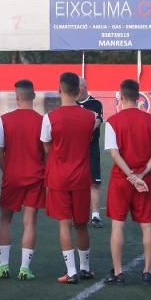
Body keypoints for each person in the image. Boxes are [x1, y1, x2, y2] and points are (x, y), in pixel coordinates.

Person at [104, 79, 151, 285]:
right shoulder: (150, 120)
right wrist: (140, 174)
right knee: (147, 226)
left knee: (118, 225)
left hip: (121, 180)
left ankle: (118, 272)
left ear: (120, 97)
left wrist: (130, 175)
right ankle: (147, 272)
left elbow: (114, 153)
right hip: (143, 180)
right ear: (139, 97)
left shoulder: (113, 121)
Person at [43, 72, 97, 284]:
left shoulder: (50, 118)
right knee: (81, 224)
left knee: (64, 224)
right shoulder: (90, 117)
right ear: (78, 91)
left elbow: (46, 146)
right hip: (81, 176)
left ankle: (72, 271)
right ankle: (84, 268)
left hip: (58, 177)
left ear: (59, 89)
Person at [0, 80, 45, 281]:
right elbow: (47, 152)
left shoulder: (5, 120)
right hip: (35, 177)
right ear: (34, 96)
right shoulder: (43, 121)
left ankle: (3, 266)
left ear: (17, 97)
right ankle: (24, 268)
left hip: (11, 177)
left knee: (5, 219)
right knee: (30, 222)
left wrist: (8, 169)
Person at [76, 80, 105, 228]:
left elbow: (98, 122)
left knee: (94, 182)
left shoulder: (96, 104)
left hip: (91, 149)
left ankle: (95, 215)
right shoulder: (71, 103)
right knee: (76, 181)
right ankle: (77, 212)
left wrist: (83, 133)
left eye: (78, 86)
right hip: (74, 149)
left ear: (84, 87)